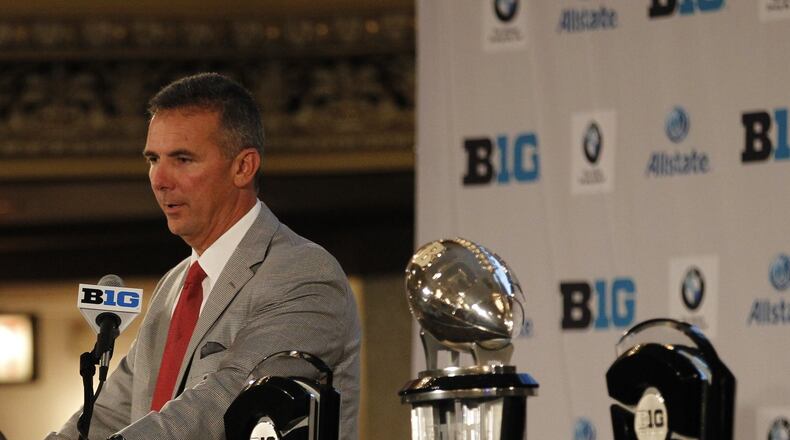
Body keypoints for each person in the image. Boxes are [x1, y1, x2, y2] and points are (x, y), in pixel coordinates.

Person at [47, 73, 361, 439]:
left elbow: (227, 401)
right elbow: (111, 412)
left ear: (243, 167)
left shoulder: (304, 273)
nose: (159, 179)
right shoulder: (174, 284)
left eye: (182, 159)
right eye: (153, 158)